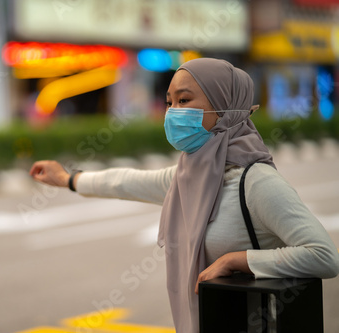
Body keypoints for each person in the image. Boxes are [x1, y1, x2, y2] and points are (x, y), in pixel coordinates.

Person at [29, 58, 339, 333]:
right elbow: (126, 181)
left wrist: (239, 260)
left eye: (184, 100)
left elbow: (323, 255)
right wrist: (68, 179)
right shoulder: (190, 176)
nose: (173, 113)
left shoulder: (257, 182)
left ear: (224, 106)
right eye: (170, 102)